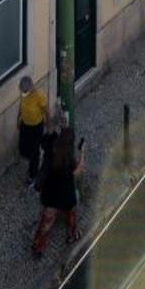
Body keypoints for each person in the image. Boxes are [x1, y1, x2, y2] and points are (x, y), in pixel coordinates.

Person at [32, 125, 85, 256]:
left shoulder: (51, 149)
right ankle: (71, 236)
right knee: (71, 217)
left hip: (50, 195)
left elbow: (44, 140)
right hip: (65, 196)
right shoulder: (68, 159)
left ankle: (38, 245)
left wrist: (53, 132)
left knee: (46, 223)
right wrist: (82, 152)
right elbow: (77, 171)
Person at [16, 75, 48, 187]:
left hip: (36, 127)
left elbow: (46, 111)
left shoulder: (39, 96)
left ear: (31, 87)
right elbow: (21, 106)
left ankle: (32, 176)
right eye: (22, 91)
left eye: (25, 91)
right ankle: (33, 160)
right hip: (25, 124)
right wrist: (18, 120)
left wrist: (48, 125)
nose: (23, 93)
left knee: (34, 152)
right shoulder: (24, 93)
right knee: (22, 148)